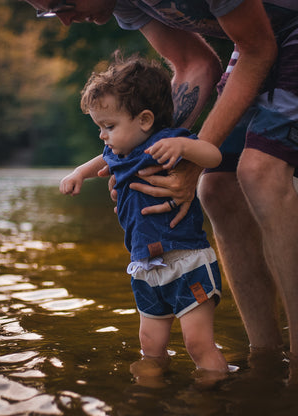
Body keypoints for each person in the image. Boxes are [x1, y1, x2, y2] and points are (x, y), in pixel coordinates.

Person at [24, 0, 298, 374]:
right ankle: (265, 361)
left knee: (259, 172)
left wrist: (192, 159)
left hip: (276, 35)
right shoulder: (125, 5)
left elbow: (259, 47)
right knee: (215, 191)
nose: (66, 20)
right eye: (48, 12)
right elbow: (194, 66)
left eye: (63, 4)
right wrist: (144, 162)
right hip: (254, 41)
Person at [60, 54, 227, 373]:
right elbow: (102, 157)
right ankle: (148, 396)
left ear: (145, 121)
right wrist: (79, 173)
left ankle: (214, 393)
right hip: (145, 266)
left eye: (109, 126)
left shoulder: (167, 141)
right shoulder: (117, 150)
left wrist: (185, 148)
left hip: (186, 260)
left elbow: (214, 156)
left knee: (197, 344)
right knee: (150, 346)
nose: (102, 135)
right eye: (99, 127)